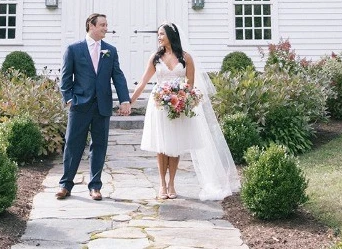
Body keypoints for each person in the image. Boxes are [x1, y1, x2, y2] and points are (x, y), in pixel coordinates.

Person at [130, 22, 240, 201]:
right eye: (158, 34)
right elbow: (143, 82)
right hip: (159, 105)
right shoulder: (155, 58)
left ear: (171, 36)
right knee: (162, 145)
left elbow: (190, 85)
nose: (159, 38)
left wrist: (183, 99)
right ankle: (162, 184)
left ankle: (172, 182)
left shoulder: (186, 58)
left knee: (175, 145)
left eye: (162, 34)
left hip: (179, 105)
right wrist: (129, 102)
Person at [57, 12, 131, 201]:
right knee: (73, 145)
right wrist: (69, 99)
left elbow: (118, 76)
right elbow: (65, 78)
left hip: (102, 106)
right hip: (80, 105)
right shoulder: (74, 49)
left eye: (106, 25)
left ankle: (95, 187)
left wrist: (124, 100)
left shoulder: (110, 50)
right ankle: (65, 185)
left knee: (99, 145)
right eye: (103, 25)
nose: (106, 28)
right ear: (91, 25)